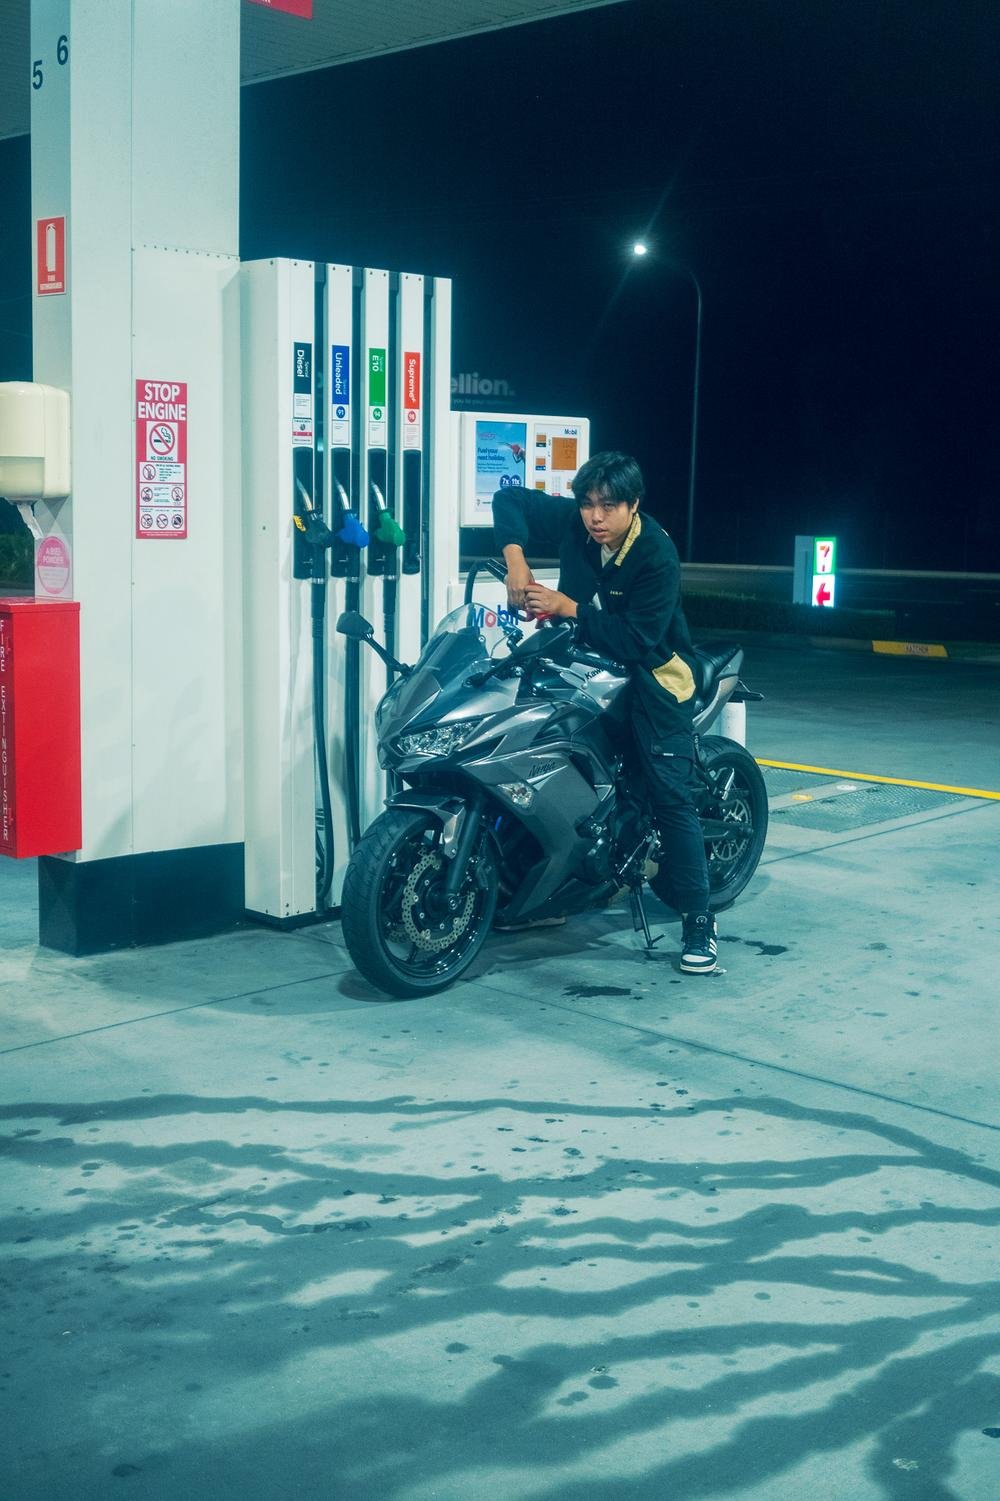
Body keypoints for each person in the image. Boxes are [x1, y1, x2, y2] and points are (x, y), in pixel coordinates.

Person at [492, 450, 718, 974]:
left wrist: (567, 607)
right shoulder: (579, 525)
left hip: (653, 678)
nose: (595, 517)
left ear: (633, 506)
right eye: (588, 504)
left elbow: (638, 640)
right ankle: (542, 893)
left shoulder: (656, 555)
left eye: (608, 506)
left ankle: (699, 922)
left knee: (670, 799)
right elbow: (508, 499)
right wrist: (517, 560)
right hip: (587, 668)